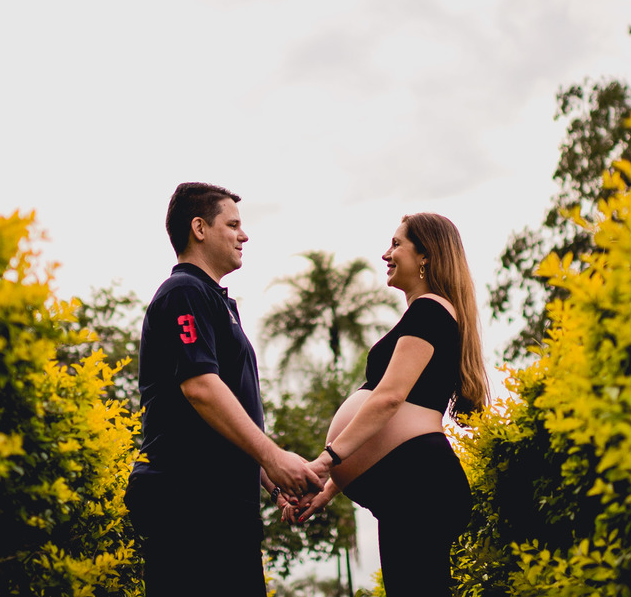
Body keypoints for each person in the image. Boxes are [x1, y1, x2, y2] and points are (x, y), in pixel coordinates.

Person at [126, 182, 321, 597]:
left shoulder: (212, 299)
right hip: (189, 503)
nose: (243, 235)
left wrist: (272, 483)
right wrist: (273, 456)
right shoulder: (184, 292)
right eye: (232, 225)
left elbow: (227, 413)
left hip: (223, 507)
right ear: (199, 228)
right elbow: (200, 388)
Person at [286, 212, 489, 596]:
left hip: (419, 485)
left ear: (425, 255)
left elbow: (389, 397)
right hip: (410, 487)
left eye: (397, 244)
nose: (386, 254)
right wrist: (328, 488)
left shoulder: (430, 310)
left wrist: (325, 461)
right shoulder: (429, 312)